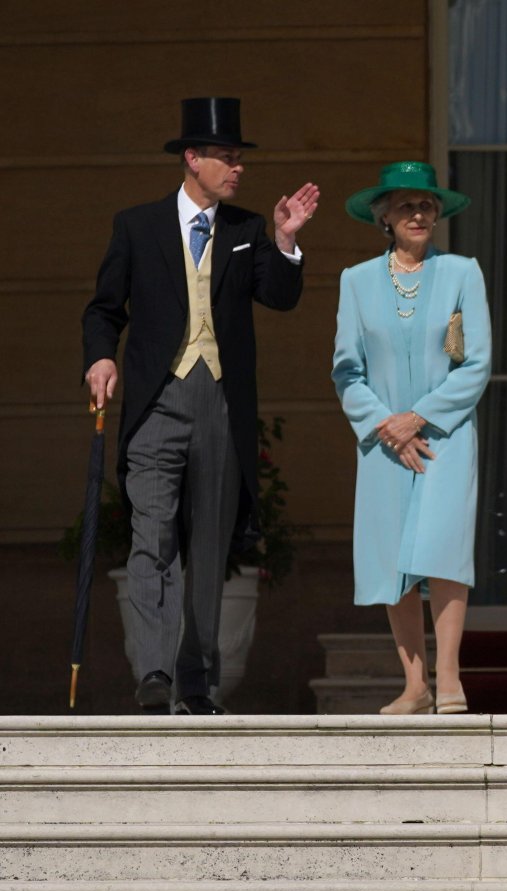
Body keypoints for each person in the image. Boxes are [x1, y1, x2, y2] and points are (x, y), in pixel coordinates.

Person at [83, 97, 318, 714]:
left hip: (220, 403)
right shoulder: (136, 226)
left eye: (239, 158)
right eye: (226, 158)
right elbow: (104, 309)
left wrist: (287, 241)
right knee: (151, 537)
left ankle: (197, 682)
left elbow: (280, 296)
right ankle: (155, 672)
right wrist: (101, 358)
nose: (237, 169)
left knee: (210, 548)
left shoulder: (245, 230)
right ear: (193, 158)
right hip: (156, 400)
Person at [333, 161, 492, 716]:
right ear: (385, 217)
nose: (419, 214)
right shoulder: (355, 281)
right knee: (392, 557)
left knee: (444, 550)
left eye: (427, 205)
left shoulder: (462, 273)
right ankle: (414, 683)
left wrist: (418, 418)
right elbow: (346, 372)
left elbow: (476, 365)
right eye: (406, 206)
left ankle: (449, 677)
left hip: (445, 433)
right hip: (383, 441)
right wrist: (388, 426)